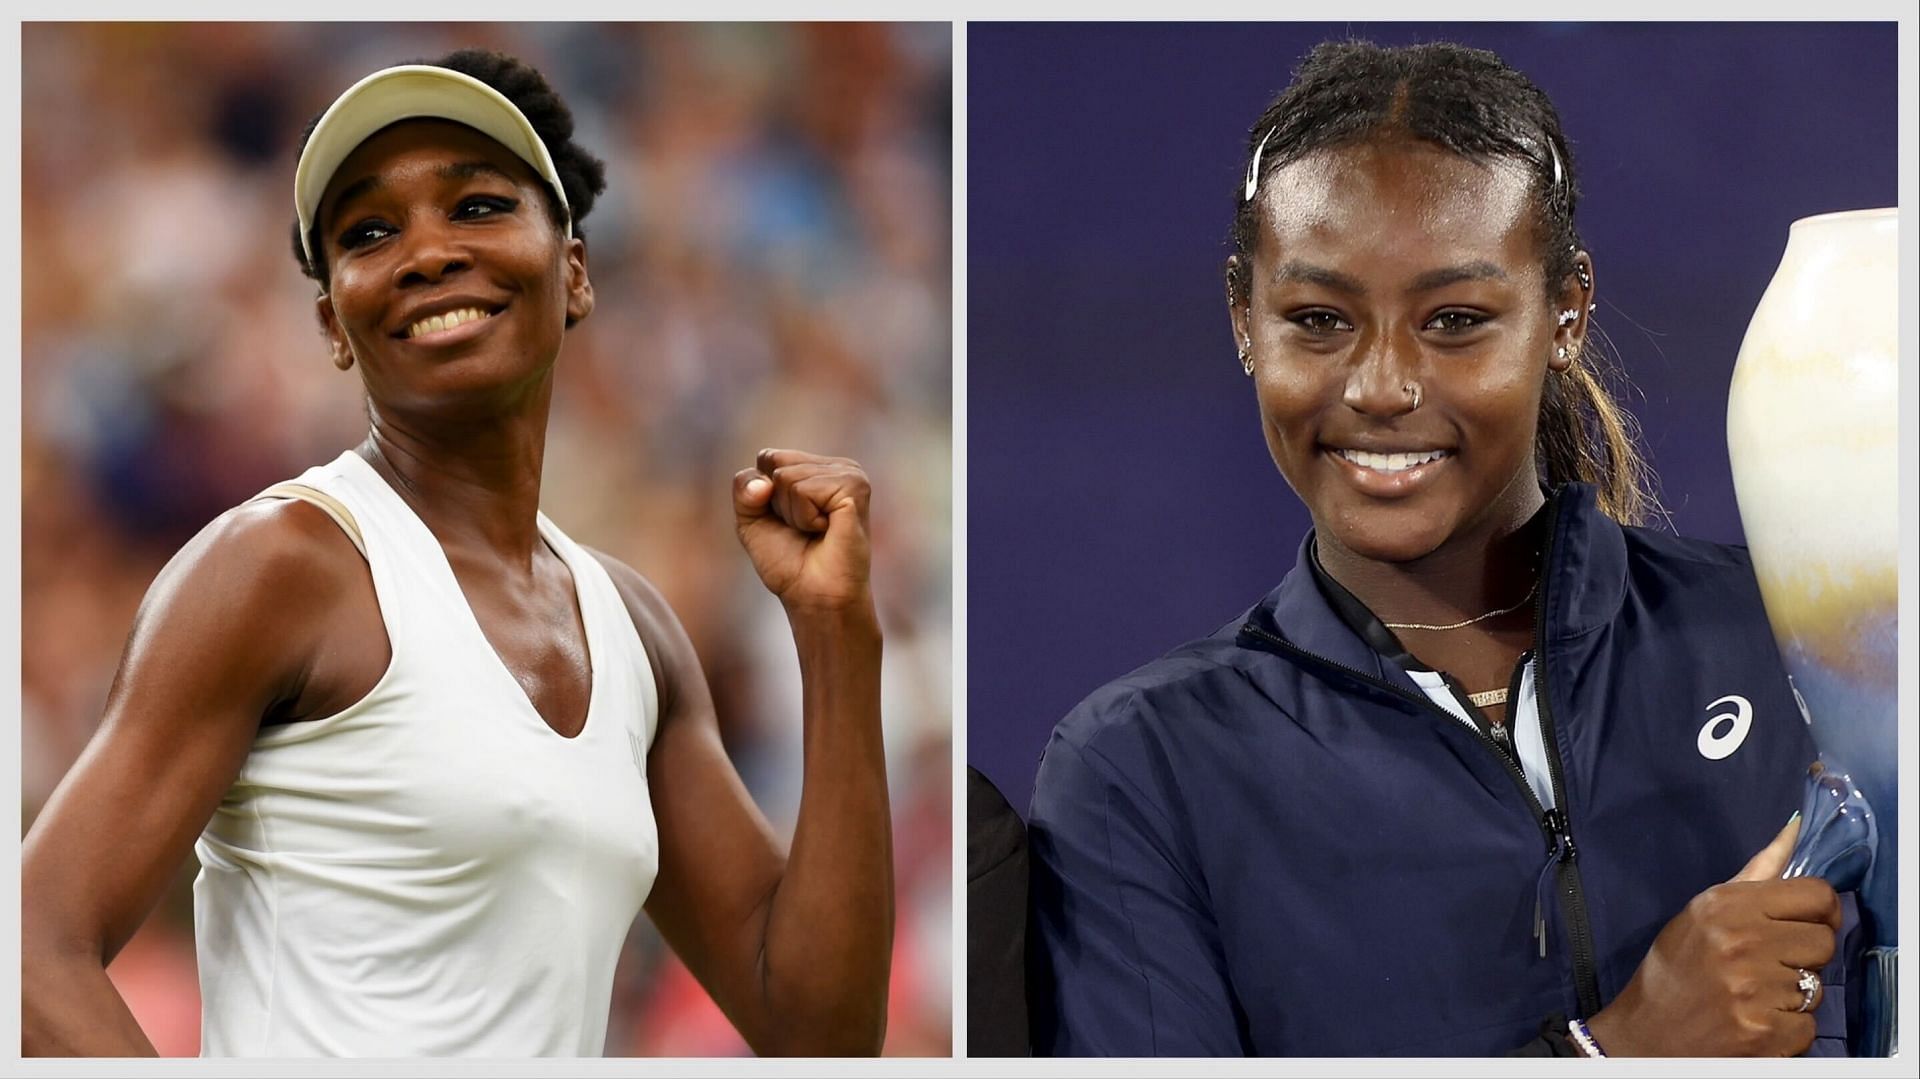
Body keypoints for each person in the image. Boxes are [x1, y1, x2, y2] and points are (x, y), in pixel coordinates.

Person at [20, 49, 892, 1057]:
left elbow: (818, 1026)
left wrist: (837, 634)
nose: (426, 251)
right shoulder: (280, 565)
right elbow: (33, 945)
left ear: (574, 271)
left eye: (477, 205)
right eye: (370, 232)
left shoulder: (635, 630)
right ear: (332, 323)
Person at [1026, 40, 1858, 1057]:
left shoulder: (1800, 646)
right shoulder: (1138, 768)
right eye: (1319, 318)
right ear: (1246, 319)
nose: (1381, 383)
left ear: (1566, 312)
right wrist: (1610, 1053)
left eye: (1456, 319)